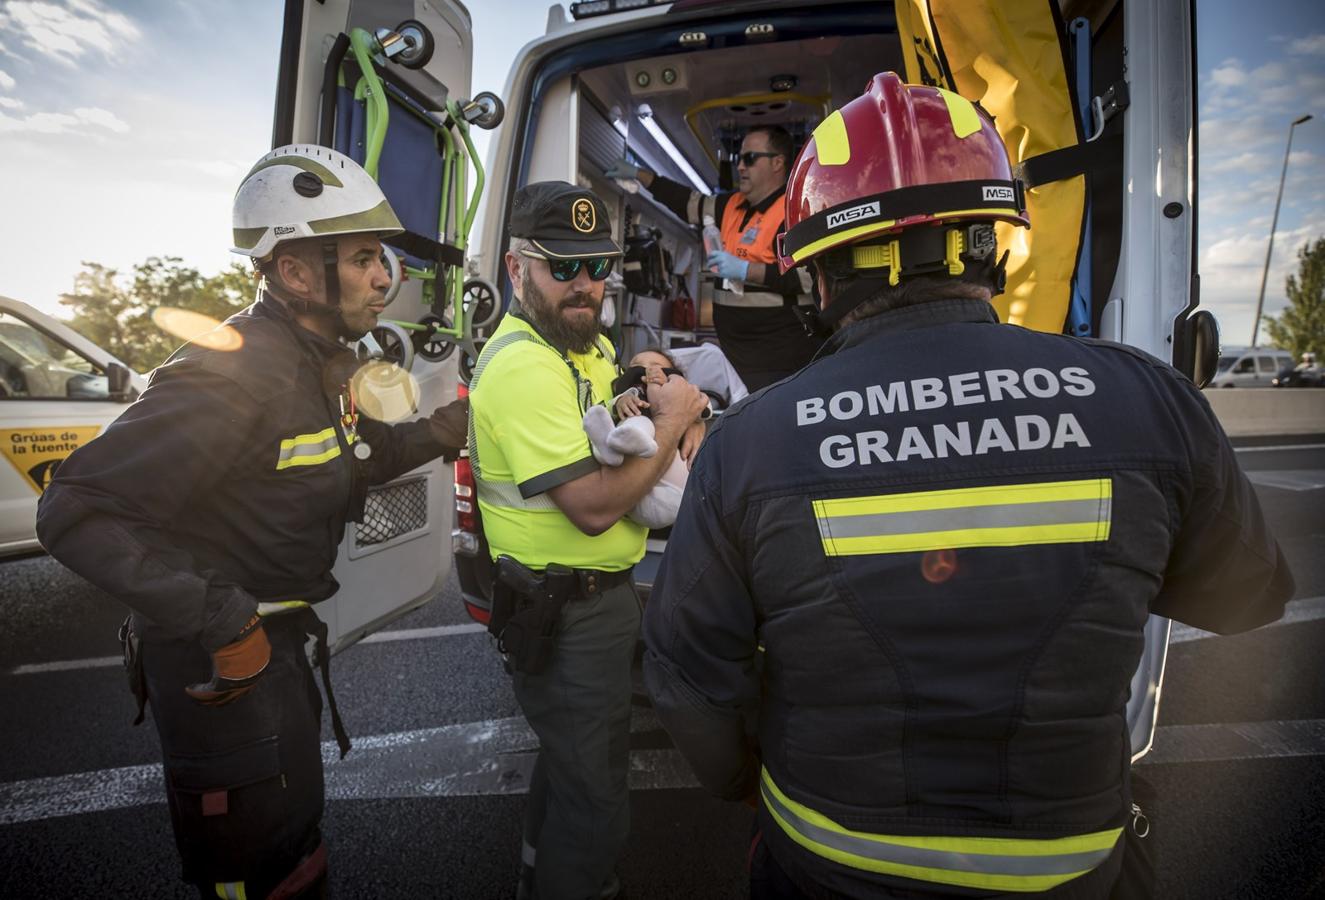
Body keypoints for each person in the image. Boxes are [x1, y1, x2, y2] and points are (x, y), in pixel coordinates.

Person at [641, 73, 1295, 899]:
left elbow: (689, 675)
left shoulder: (751, 442)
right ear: (994, 242)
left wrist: (744, 783)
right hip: (1075, 868)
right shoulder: (1144, 398)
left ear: (817, 273)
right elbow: (1243, 597)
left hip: (828, 867)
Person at [35, 144, 469, 899]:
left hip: (271, 649)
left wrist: (441, 430)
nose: (384, 277)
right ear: (296, 273)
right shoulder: (232, 371)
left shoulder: (310, 358)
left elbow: (346, 455)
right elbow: (73, 509)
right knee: (253, 870)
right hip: (221, 665)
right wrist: (227, 623)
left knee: (292, 847)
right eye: (363, 257)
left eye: (383, 258)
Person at [467, 181, 708, 900]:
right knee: (596, 802)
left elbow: (620, 374)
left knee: (571, 770)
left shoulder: (580, 343)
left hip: (589, 607)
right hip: (566, 614)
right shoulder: (521, 365)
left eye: (596, 266)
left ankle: (539, 877)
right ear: (516, 270)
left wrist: (657, 376)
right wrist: (675, 424)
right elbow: (595, 507)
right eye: (560, 267)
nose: (584, 286)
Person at [607, 125, 824, 390]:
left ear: (777, 163)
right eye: (738, 159)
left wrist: (746, 270)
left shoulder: (795, 210)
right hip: (735, 355)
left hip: (780, 356)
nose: (741, 166)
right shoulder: (729, 205)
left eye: (749, 159)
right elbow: (686, 201)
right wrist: (641, 175)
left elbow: (808, 277)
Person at [583, 347, 708, 529]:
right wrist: (621, 402)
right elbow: (612, 403)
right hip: (630, 488)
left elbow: (702, 406)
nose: (646, 369)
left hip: (670, 489)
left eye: (656, 365)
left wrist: (696, 420)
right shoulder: (629, 391)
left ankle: (614, 447)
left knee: (643, 426)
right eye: (636, 365)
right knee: (638, 424)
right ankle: (609, 449)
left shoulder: (679, 393)